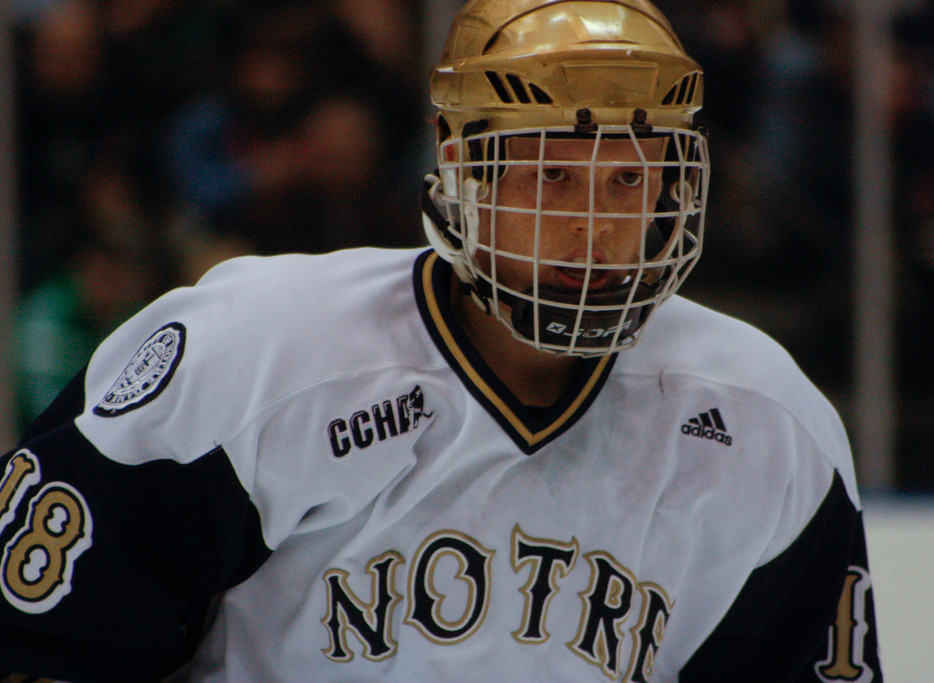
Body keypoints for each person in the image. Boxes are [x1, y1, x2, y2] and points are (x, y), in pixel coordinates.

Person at [0, 1, 883, 680]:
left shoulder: (766, 424)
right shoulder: (260, 355)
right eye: (549, 175)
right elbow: (45, 636)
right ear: (460, 164)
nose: (597, 226)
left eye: (629, 179)